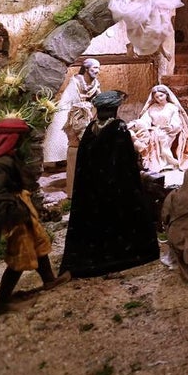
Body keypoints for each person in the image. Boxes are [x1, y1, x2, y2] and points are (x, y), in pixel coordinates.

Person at [0, 119, 69, 315]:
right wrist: (12, 216)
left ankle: (49, 279)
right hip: (14, 213)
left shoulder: (6, 157)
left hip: (21, 205)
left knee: (39, 241)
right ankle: (0, 301)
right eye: (20, 138)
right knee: (20, 253)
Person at [59, 91, 160, 278]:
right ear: (114, 109)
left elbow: (86, 160)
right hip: (117, 184)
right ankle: (124, 256)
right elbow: (125, 158)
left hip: (93, 186)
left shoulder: (91, 128)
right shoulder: (118, 127)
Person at [42, 58, 100, 167]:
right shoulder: (76, 82)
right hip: (74, 113)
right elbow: (71, 98)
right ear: (87, 68)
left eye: (98, 68)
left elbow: (98, 97)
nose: (98, 71)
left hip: (88, 113)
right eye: (95, 67)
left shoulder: (95, 84)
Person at [131, 84, 188, 174]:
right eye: (156, 97)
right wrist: (136, 123)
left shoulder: (172, 107)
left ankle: (167, 162)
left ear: (166, 95)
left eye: (161, 95)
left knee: (162, 137)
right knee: (146, 136)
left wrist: (170, 127)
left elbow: (177, 122)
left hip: (170, 132)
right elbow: (145, 120)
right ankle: (158, 162)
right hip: (155, 130)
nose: (159, 98)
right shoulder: (152, 108)